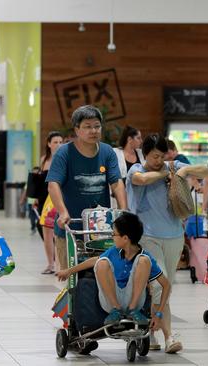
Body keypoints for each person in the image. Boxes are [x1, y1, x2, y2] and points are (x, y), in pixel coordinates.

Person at [126, 134, 208, 353]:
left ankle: (150, 331)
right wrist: (166, 173)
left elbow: (206, 171)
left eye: (162, 156)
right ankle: (169, 336)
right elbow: (142, 180)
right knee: (158, 285)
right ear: (145, 155)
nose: (159, 160)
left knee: (165, 288)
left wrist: (183, 171)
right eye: (154, 156)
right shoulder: (136, 170)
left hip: (174, 236)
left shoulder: (173, 165)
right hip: (147, 237)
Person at [56, 212, 171, 329]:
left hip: (135, 302)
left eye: (114, 234)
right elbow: (93, 261)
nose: (112, 237)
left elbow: (166, 285)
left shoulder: (145, 257)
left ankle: (132, 310)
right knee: (102, 263)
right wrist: (69, 271)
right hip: (111, 301)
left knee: (144, 260)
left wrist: (159, 314)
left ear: (125, 238)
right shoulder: (113, 251)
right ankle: (116, 310)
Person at [46, 105, 127, 270]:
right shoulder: (64, 153)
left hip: (101, 228)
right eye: (87, 127)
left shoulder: (107, 152)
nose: (93, 131)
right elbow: (53, 184)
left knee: (103, 274)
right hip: (70, 227)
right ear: (77, 129)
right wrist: (62, 212)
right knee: (72, 279)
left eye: (97, 126)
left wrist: (123, 211)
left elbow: (116, 183)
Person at [34, 131, 63, 274]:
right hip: (43, 198)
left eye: (60, 142)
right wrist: (35, 198)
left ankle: (58, 263)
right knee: (45, 231)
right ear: (49, 144)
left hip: (56, 199)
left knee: (56, 231)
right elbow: (39, 181)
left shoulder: (64, 159)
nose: (58, 144)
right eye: (55, 142)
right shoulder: (44, 159)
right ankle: (50, 263)